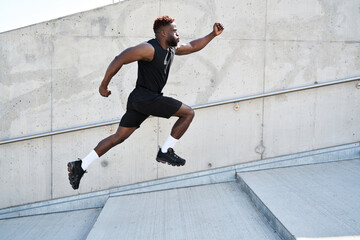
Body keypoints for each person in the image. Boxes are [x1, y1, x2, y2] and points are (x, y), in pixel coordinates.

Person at [67, 16, 224, 190]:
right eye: (174, 30)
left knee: (118, 137)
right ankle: (165, 152)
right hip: (146, 98)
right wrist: (103, 85)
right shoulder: (149, 49)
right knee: (188, 113)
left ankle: (80, 166)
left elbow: (193, 46)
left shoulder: (172, 49)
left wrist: (213, 34)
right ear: (163, 33)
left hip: (140, 100)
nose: (178, 33)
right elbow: (120, 58)